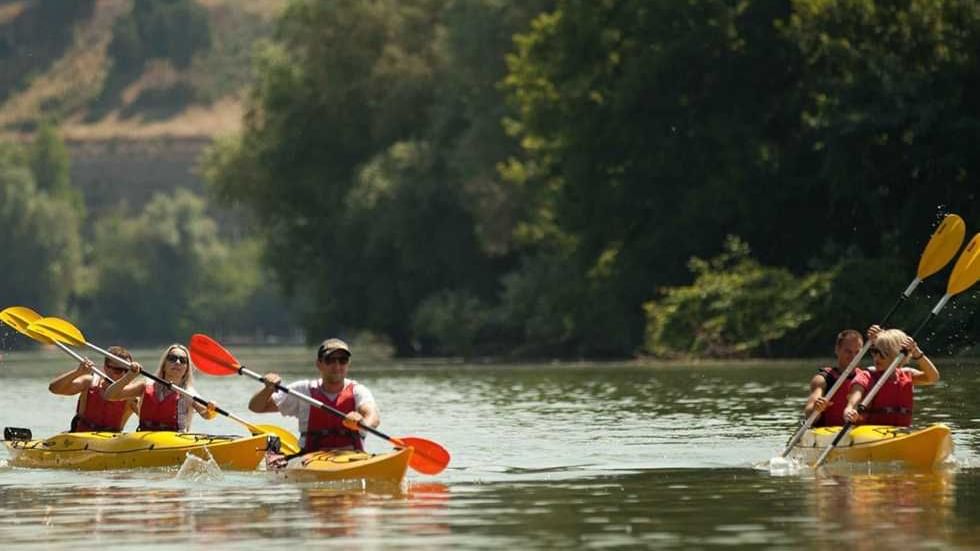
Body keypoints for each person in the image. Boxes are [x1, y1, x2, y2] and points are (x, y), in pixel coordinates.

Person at [248, 338, 379, 453]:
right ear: (319, 364)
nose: (337, 365)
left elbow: (373, 417)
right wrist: (268, 389)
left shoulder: (358, 391)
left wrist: (361, 423)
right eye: (330, 360)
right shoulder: (303, 390)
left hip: (353, 457)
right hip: (310, 457)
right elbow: (256, 407)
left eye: (343, 360)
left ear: (348, 364)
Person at [104, 344, 217, 432]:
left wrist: (212, 409)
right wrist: (129, 376)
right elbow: (110, 395)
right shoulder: (146, 385)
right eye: (172, 358)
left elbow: (206, 414)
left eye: (182, 360)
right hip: (145, 441)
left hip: (175, 441)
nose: (177, 362)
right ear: (164, 364)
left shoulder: (189, 393)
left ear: (186, 368)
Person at [843, 325, 939, 426]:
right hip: (870, 434)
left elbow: (933, 378)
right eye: (874, 352)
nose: (877, 357)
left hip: (899, 433)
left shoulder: (907, 374)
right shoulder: (865, 377)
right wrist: (849, 413)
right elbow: (851, 405)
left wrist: (916, 352)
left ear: (896, 354)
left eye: (882, 353)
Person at [48, 346, 140, 432]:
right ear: (106, 368)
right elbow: (54, 389)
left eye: (127, 371)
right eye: (118, 370)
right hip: (80, 438)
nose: (123, 375)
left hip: (111, 442)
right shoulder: (89, 383)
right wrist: (77, 372)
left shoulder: (131, 393)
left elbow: (147, 419)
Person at [803, 329, 866, 426]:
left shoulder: (866, 378)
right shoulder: (822, 379)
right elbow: (808, 411)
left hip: (856, 432)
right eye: (848, 351)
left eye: (857, 352)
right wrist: (816, 408)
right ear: (837, 349)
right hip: (826, 433)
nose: (853, 356)